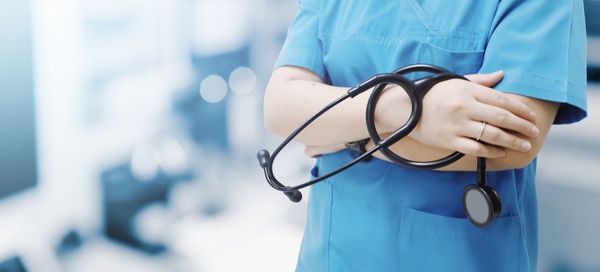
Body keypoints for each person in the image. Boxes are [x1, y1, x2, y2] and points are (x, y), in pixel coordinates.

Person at [263, 0, 588, 271]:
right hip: (331, 256)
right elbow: (280, 107)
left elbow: (511, 137)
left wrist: (351, 137)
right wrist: (405, 108)